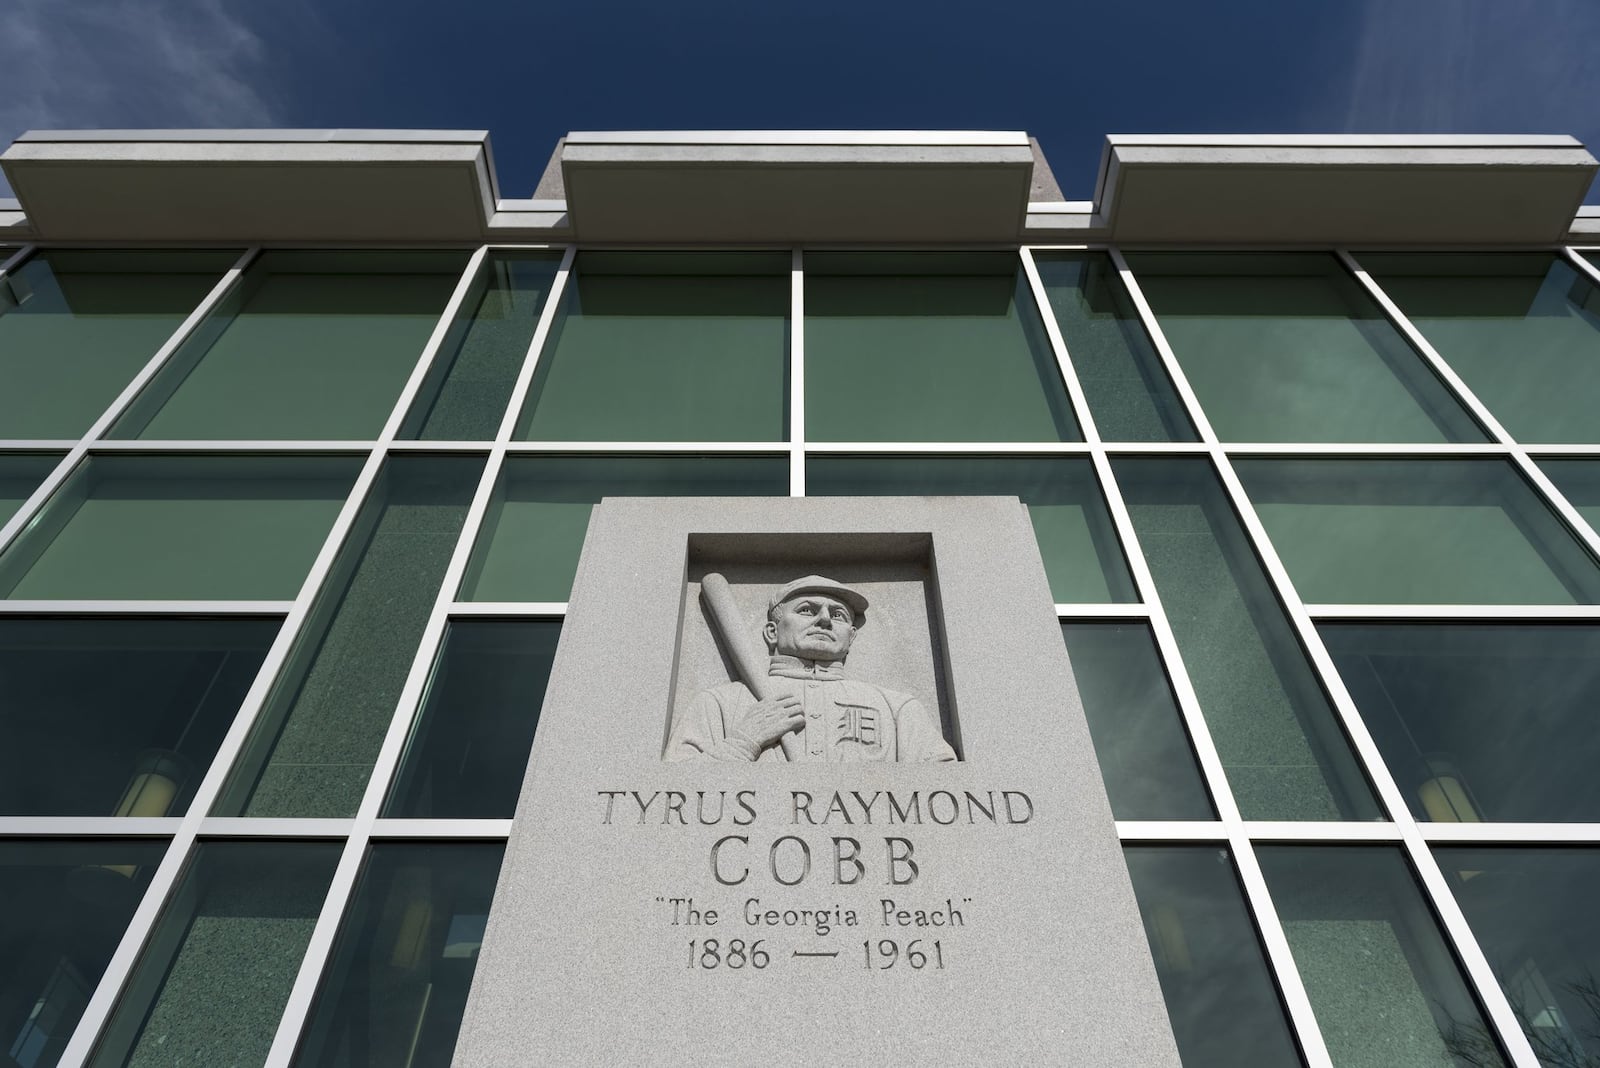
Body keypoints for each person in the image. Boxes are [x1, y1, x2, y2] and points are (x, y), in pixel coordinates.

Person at [667, 575, 957, 763]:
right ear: (772, 632)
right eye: (807, 609)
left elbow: (944, 784)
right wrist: (743, 742)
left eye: (838, 614)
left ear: (851, 637)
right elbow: (673, 789)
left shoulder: (897, 708)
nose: (824, 620)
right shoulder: (720, 703)